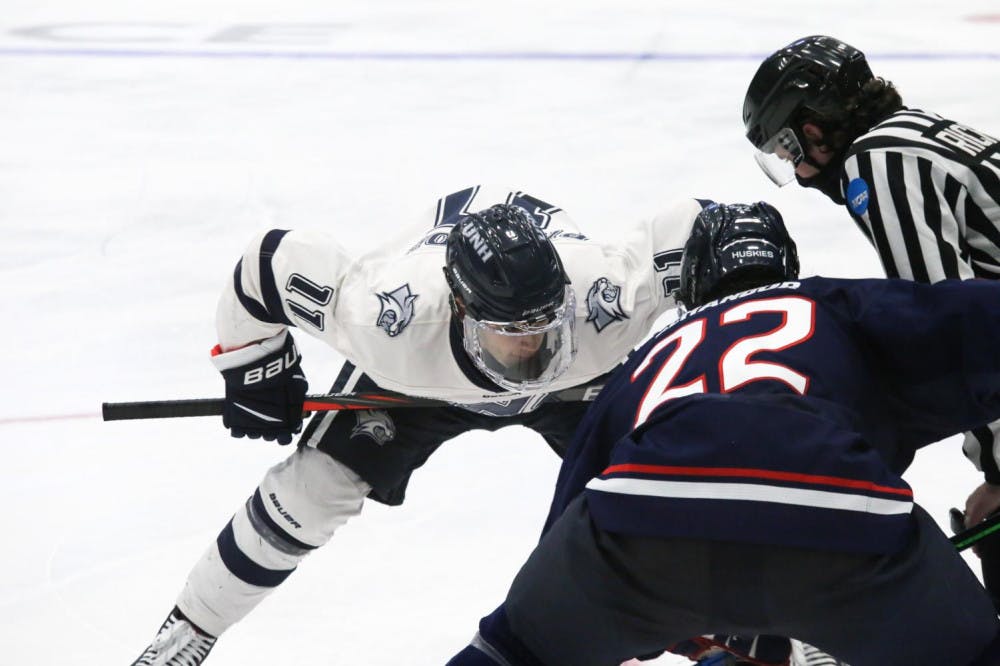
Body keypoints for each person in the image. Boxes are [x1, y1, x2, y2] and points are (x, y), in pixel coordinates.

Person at [129, 185, 708, 665]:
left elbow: (697, 229)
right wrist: (255, 367)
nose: (532, 345)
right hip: (421, 383)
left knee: (654, 491)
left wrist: (741, 276)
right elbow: (267, 263)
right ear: (459, 307)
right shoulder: (391, 320)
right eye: (511, 331)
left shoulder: (603, 302)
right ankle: (189, 631)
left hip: (574, 384)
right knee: (308, 492)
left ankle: (736, 633)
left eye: (543, 324)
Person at [445, 202, 1000, 666]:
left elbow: (572, 522)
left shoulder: (640, 366)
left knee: (509, 651)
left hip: (645, 519)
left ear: (690, 286)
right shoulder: (834, 305)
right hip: (833, 511)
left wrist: (682, 624)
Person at [741, 34, 1000, 602]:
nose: (801, 173)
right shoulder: (914, 131)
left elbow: (955, 332)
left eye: (789, 150)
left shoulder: (876, 162)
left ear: (814, 128)